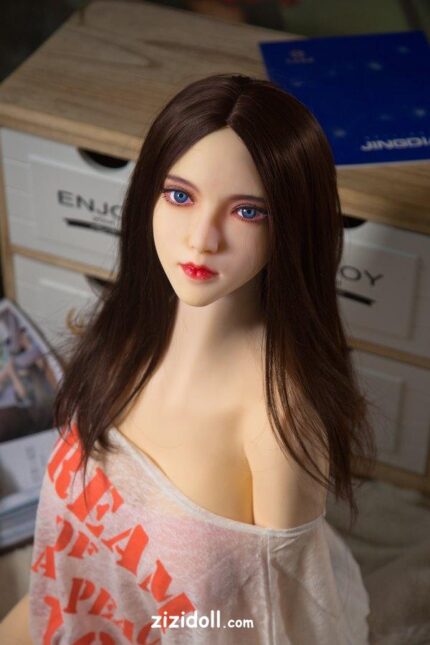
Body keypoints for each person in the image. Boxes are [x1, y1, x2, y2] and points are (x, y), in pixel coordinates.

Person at [0, 73, 376, 644]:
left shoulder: (277, 421)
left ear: (294, 225)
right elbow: (71, 564)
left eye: (247, 212)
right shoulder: (124, 338)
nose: (202, 239)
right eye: (180, 196)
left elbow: (284, 622)